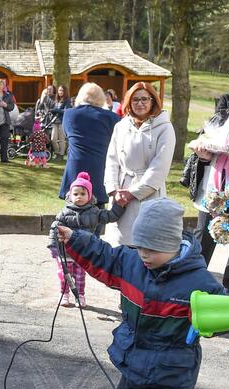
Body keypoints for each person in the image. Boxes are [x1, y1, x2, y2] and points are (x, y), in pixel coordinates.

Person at [56, 198, 226, 389]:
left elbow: (223, 313)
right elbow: (105, 257)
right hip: (133, 364)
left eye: (152, 250)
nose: (144, 255)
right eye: (140, 247)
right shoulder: (132, 261)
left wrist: (212, 320)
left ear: (172, 245)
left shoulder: (199, 281)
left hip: (167, 376)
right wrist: (74, 238)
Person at [190, 73, 229, 294]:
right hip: (215, 190)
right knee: (204, 235)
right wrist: (204, 154)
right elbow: (211, 150)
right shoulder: (224, 120)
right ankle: (194, 279)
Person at [104, 82, 175, 247]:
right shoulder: (120, 127)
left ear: (153, 101)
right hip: (121, 193)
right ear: (129, 102)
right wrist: (114, 190)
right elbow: (112, 160)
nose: (140, 103)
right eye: (135, 99)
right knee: (119, 247)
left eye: (145, 99)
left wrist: (133, 193)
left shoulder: (164, 128)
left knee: (145, 246)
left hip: (149, 194)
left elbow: (160, 167)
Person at [48, 172, 124, 306]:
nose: (79, 197)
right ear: (70, 195)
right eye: (76, 194)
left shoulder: (94, 212)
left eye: (83, 194)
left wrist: (119, 205)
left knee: (80, 276)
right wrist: (54, 247)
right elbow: (55, 228)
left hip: (83, 252)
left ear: (89, 196)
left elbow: (110, 216)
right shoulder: (64, 212)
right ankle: (64, 294)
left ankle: (80, 296)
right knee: (64, 275)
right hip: (66, 252)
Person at [59, 83, 121, 212]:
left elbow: (66, 134)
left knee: (72, 209)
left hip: (76, 165)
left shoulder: (69, 114)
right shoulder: (112, 118)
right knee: (97, 212)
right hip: (100, 166)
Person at [49, 85, 71, 158]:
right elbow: (55, 109)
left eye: (61, 90)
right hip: (55, 121)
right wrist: (52, 111)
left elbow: (66, 111)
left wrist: (56, 110)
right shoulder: (56, 100)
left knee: (62, 139)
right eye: (59, 90)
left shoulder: (67, 100)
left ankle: (61, 155)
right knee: (53, 139)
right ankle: (57, 152)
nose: (60, 92)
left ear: (65, 91)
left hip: (62, 121)